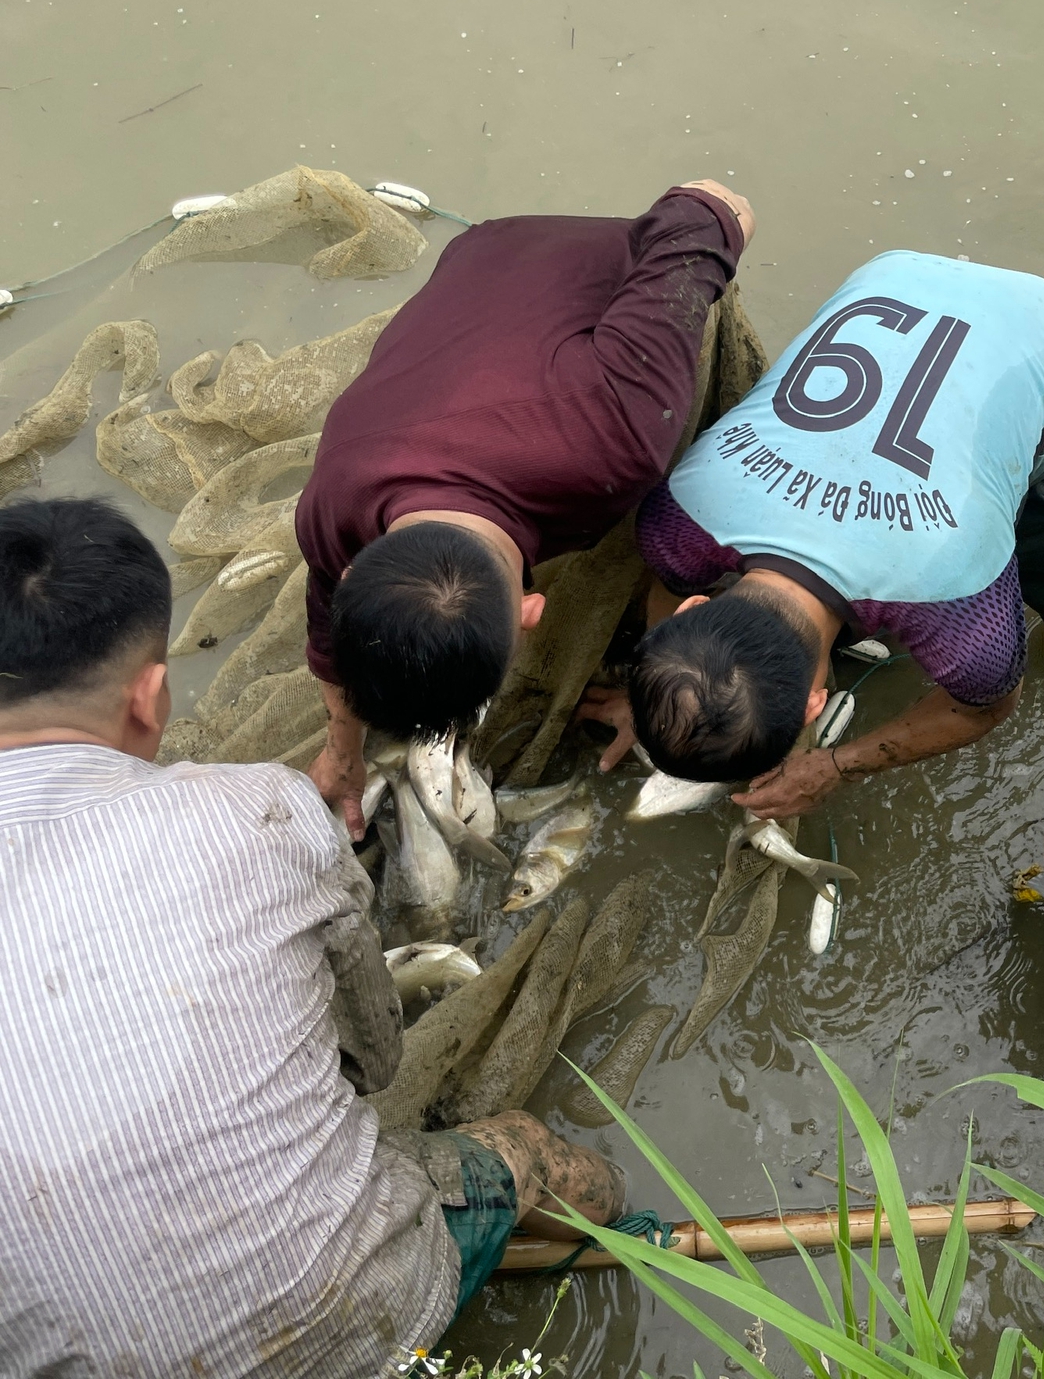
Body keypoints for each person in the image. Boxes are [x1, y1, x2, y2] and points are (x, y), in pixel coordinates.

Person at [0, 495, 624, 1375]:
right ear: (150, 697)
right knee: (524, 1147)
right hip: (345, 1315)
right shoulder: (257, 807)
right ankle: (639, 1242)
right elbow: (373, 1062)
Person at [583, 250, 1044, 819]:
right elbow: (664, 585)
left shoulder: (961, 612)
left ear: (815, 705)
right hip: (893, 274)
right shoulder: (680, 515)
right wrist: (661, 704)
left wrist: (837, 766)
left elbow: (983, 708)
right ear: (692, 610)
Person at [298, 177, 756, 837]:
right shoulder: (332, 505)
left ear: (534, 611)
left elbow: (710, 204)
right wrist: (343, 753)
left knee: (671, 465)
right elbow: (325, 638)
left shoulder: (618, 432)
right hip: (479, 258)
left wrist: (672, 314)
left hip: (600, 286)